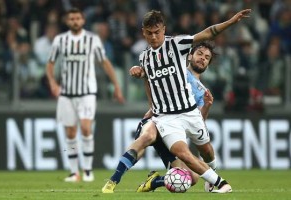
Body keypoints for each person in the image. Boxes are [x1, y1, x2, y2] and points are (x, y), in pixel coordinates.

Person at [102, 8, 251, 193]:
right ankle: (222, 184)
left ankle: (164, 181)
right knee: (170, 147)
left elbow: (208, 32)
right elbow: (149, 83)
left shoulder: (178, 45)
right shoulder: (145, 57)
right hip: (165, 117)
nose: (153, 37)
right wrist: (151, 101)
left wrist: (230, 22)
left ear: (164, 30)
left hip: (189, 113)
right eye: (149, 33)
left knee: (201, 161)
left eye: (157, 32)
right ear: (143, 32)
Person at [46, 8, 125, 182]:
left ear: (83, 20)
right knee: (71, 132)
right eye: (71, 18)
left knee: (86, 128)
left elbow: (105, 63)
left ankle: (88, 170)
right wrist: (52, 82)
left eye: (78, 18)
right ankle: (74, 173)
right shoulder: (60, 40)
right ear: (67, 21)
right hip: (66, 93)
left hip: (87, 92)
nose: (75, 21)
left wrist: (117, 86)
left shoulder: (92, 39)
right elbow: (50, 64)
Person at [135, 42, 216, 192]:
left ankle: (155, 182)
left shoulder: (203, 92)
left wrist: (206, 106)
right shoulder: (176, 71)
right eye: (200, 54)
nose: (202, 59)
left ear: (208, 64)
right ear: (190, 55)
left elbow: (197, 122)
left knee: (193, 177)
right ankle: (116, 178)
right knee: (189, 175)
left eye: (207, 57)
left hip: (173, 132)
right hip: (159, 124)